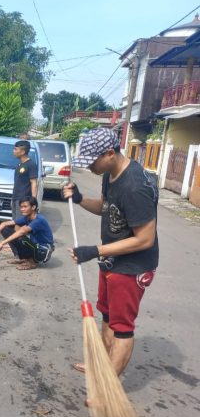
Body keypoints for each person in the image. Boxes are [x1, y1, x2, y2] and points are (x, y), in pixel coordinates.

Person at [62, 128, 158, 378]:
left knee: (122, 327)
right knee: (106, 315)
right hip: (111, 261)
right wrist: (81, 198)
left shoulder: (135, 186)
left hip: (132, 266)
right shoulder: (110, 174)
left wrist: (94, 250)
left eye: (93, 162)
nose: (90, 167)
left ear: (110, 153)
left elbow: (145, 239)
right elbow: (106, 208)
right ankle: (101, 366)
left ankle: (108, 388)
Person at [0, 196, 54, 270]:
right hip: (35, 246)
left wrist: (2, 243)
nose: (22, 209)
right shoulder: (26, 217)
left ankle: (32, 263)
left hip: (43, 251)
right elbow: (4, 224)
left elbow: (22, 232)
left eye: (25, 207)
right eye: (21, 207)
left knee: (21, 238)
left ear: (33, 207)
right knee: (5, 229)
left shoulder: (39, 220)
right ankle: (23, 258)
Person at [12, 140, 38, 219]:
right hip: (15, 198)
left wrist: (33, 201)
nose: (14, 151)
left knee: (21, 223)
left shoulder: (31, 165)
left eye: (16, 149)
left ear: (23, 151)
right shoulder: (20, 164)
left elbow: (34, 183)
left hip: (23, 199)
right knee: (16, 221)